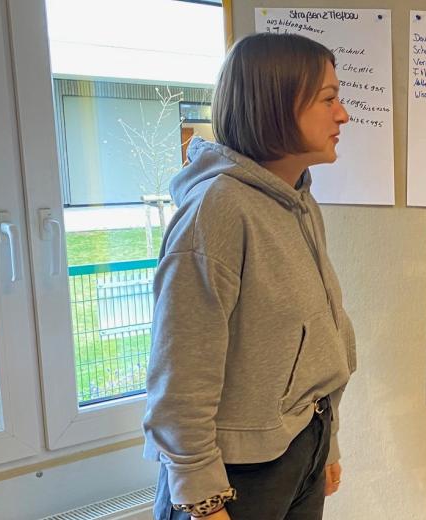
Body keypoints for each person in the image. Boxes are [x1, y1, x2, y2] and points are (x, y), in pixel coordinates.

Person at [143, 33, 356, 520]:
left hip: (300, 444)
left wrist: (328, 446)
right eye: (328, 99)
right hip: (234, 475)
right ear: (276, 104)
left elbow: (315, 337)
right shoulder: (217, 209)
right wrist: (202, 498)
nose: (342, 114)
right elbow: (181, 373)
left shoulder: (297, 198)